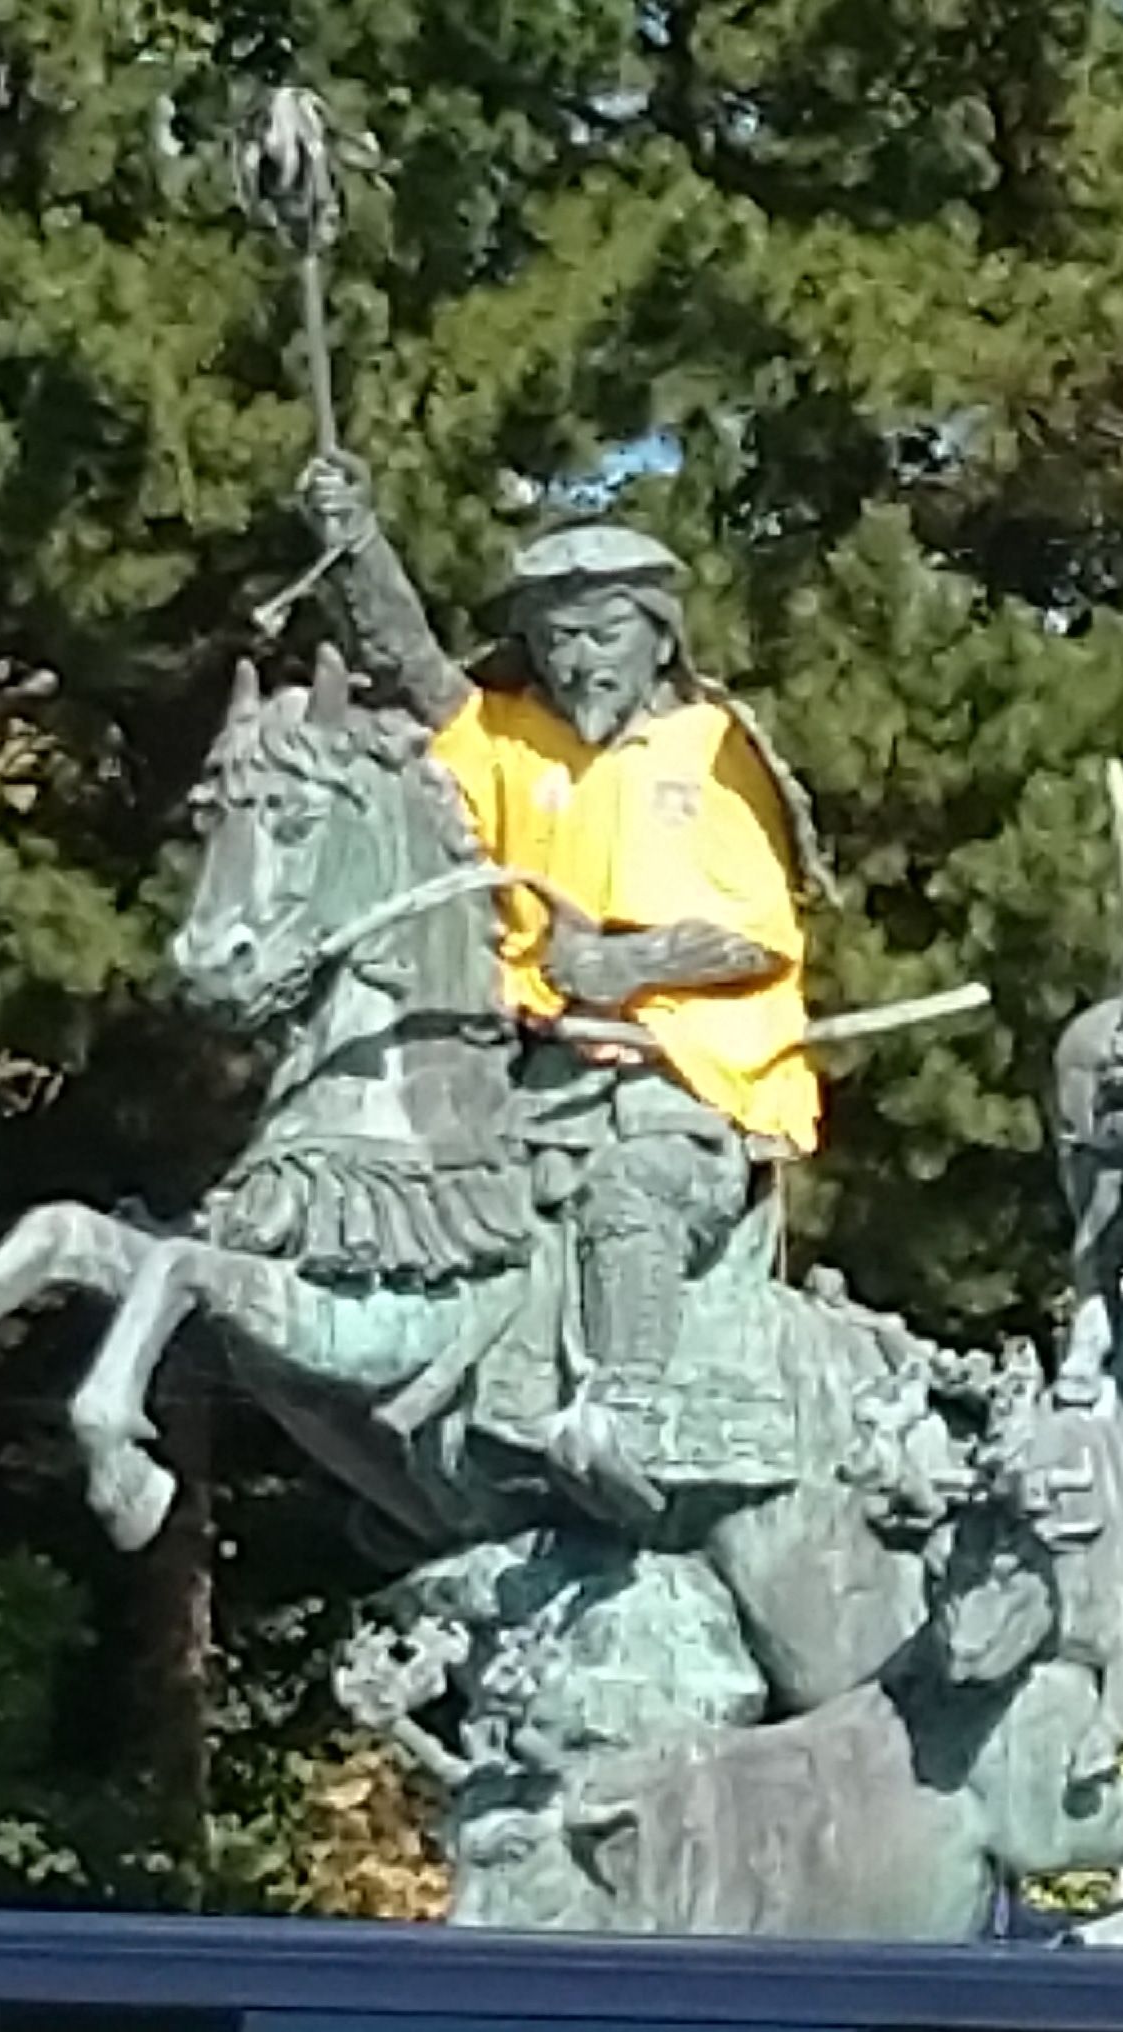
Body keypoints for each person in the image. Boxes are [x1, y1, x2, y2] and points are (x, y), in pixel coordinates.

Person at [298, 453, 829, 1517]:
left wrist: (626, 963)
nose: (575, 659)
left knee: (633, 1191)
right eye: (554, 638)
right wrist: (354, 540)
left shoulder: (713, 750)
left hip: (683, 1081)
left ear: (656, 635)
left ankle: (623, 1417)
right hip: (527, 1075)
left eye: (600, 634)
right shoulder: (510, 741)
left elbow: (760, 936)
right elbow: (409, 665)